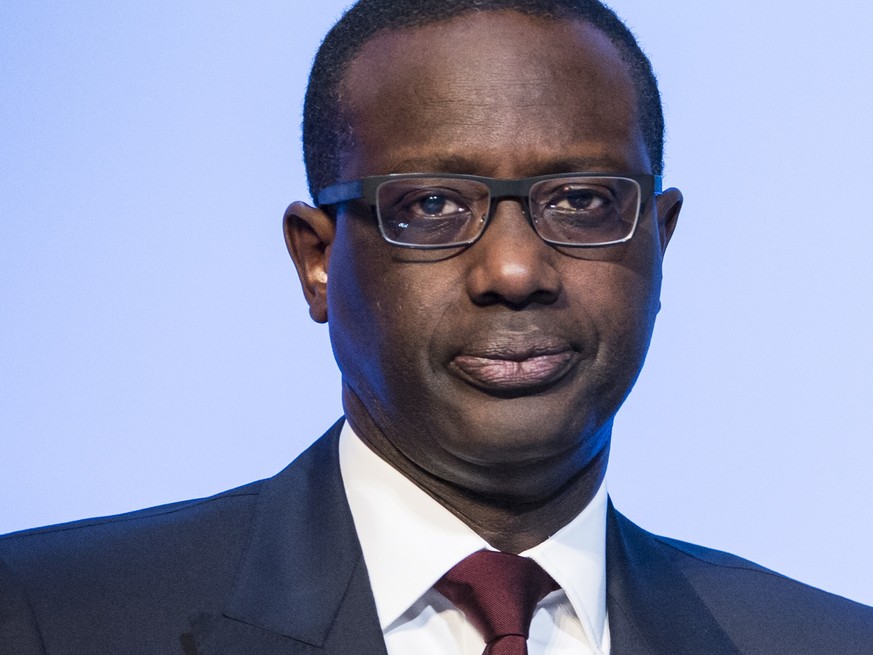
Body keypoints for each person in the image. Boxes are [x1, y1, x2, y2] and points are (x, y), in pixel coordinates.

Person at [1, 1, 871, 653]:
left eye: (580, 200)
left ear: (658, 241)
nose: (515, 272)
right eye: (430, 204)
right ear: (316, 259)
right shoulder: (48, 615)